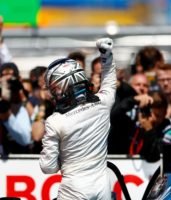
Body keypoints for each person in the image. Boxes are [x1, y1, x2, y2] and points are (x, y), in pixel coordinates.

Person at [39, 38, 116, 199]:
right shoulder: (103, 103)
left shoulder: (55, 121)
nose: (54, 94)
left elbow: (48, 167)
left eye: (56, 89)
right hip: (103, 189)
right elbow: (109, 82)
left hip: (73, 191)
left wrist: (64, 157)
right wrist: (106, 55)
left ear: (64, 85)